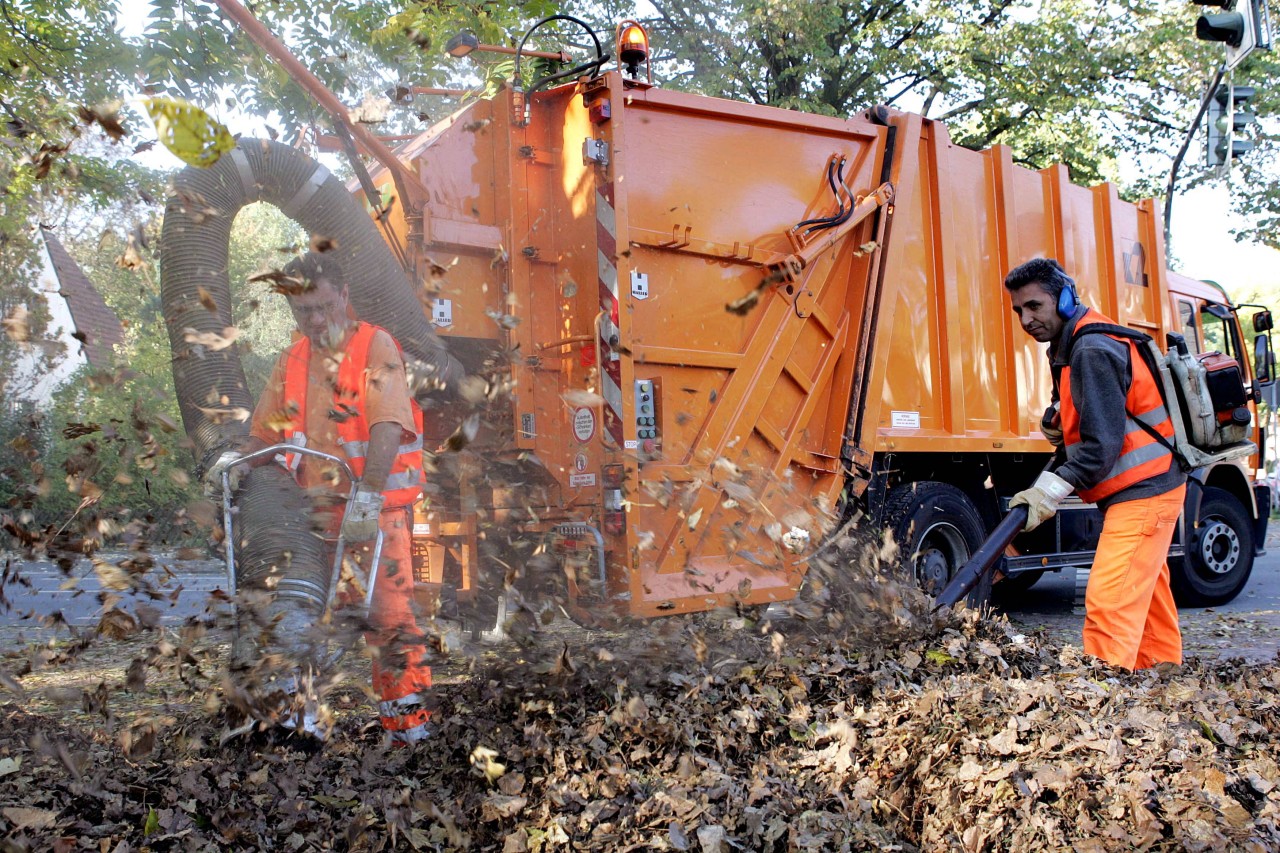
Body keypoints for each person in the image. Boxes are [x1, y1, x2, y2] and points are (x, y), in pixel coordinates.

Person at [210, 250, 432, 745]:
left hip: (377, 515)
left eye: (322, 307)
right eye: (302, 311)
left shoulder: (375, 347)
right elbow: (267, 434)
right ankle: (294, 719)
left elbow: (388, 426)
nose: (313, 320)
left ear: (344, 297)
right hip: (312, 518)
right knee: (297, 614)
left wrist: (368, 499)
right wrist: (240, 464)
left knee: (388, 619)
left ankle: (407, 729)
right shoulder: (293, 357)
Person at [1005, 258, 1187, 670]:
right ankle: (1162, 680)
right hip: (1149, 487)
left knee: (1110, 601)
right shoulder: (1073, 343)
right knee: (1146, 595)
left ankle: (1101, 703)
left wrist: (1050, 490)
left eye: (1034, 305)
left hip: (1144, 490)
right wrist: (1061, 419)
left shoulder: (1090, 347)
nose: (1026, 319)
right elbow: (1105, 413)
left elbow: (1101, 447)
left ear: (1066, 298)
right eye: (1019, 310)